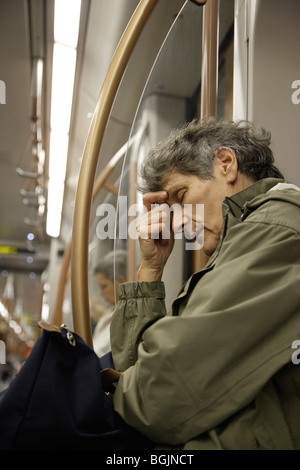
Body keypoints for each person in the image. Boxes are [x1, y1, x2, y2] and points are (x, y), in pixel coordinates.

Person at [108, 117, 300, 450]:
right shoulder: (243, 242)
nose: (178, 223)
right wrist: (150, 270)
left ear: (226, 164)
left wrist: (115, 390)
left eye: (181, 197)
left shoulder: (275, 230)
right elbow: (139, 372)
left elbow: (159, 397)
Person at [93, 250, 127, 357]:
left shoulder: (126, 318)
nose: (101, 293)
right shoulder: (111, 312)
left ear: (120, 281)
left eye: (104, 287)